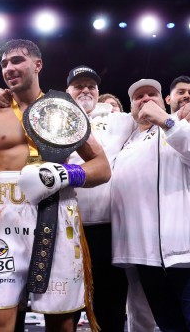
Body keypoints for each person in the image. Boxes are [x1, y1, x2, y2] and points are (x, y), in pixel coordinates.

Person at [0, 39, 111, 332]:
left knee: (61, 322)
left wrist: (65, 175)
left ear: (38, 64)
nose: (9, 68)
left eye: (17, 60)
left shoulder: (65, 109)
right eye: (4, 63)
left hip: (57, 215)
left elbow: (102, 167)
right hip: (4, 221)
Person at [110, 78, 190, 331]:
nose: (144, 99)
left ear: (163, 100)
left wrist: (166, 120)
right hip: (146, 260)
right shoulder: (126, 143)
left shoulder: (187, 123)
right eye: (138, 97)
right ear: (130, 107)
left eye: (151, 94)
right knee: (169, 327)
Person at [65, 65, 135, 331]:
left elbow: (146, 112)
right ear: (68, 91)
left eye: (91, 86)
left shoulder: (119, 120)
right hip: (68, 227)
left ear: (98, 92)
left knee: (110, 306)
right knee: (65, 306)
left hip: (109, 228)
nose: (85, 90)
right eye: (79, 86)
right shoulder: (53, 119)